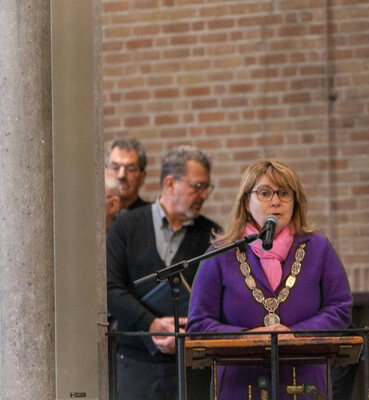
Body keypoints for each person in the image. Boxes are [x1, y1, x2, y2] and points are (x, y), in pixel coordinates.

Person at [187, 159, 353, 400]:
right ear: (246, 202)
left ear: (295, 202)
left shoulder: (318, 247)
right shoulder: (220, 253)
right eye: (264, 193)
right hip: (240, 387)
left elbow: (340, 309)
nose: (275, 201)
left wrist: (295, 334)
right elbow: (199, 325)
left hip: (305, 385)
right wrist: (247, 336)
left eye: (284, 193)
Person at [107, 145, 221, 400]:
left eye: (207, 187)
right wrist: (151, 324)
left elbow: (219, 299)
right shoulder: (126, 226)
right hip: (134, 364)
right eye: (197, 186)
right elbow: (109, 287)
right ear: (170, 184)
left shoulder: (213, 236)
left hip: (191, 368)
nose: (204, 195)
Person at [105, 138, 150, 211]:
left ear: (142, 177)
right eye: (115, 168)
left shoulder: (151, 217)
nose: (121, 175)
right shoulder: (95, 216)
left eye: (130, 169)